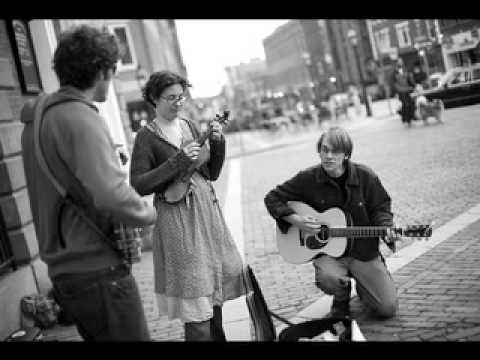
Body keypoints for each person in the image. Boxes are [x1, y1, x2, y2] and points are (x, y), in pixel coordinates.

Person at [21, 25, 157, 341]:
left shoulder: (37, 120)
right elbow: (111, 195)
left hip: (67, 272)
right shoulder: (80, 117)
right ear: (100, 70)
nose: (111, 78)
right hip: (98, 270)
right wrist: (150, 214)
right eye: (111, 70)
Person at [129, 70, 244, 341]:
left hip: (207, 215)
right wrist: (177, 161)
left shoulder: (190, 126)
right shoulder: (146, 137)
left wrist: (217, 144)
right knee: (196, 307)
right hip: (178, 222)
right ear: (154, 99)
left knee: (214, 300)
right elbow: (139, 184)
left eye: (181, 96)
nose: (178, 103)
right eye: (171, 98)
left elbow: (211, 173)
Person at [264, 126, 399, 319]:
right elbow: (272, 198)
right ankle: (341, 297)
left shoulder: (364, 176)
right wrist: (297, 220)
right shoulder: (308, 178)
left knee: (387, 309)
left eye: (335, 151)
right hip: (330, 255)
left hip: (363, 252)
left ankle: (366, 282)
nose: (328, 156)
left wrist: (387, 228)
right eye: (324, 150)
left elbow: (381, 207)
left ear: (346, 154)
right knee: (329, 278)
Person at [391, 58, 416, 126]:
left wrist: (414, 86)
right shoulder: (394, 73)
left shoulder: (406, 70)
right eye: (399, 62)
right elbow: (394, 84)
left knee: (411, 104)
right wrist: (397, 92)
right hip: (401, 91)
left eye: (401, 62)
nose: (401, 63)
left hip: (408, 90)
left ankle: (410, 118)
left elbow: (410, 80)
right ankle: (406, 120)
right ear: (396, 63)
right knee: (406, 104)